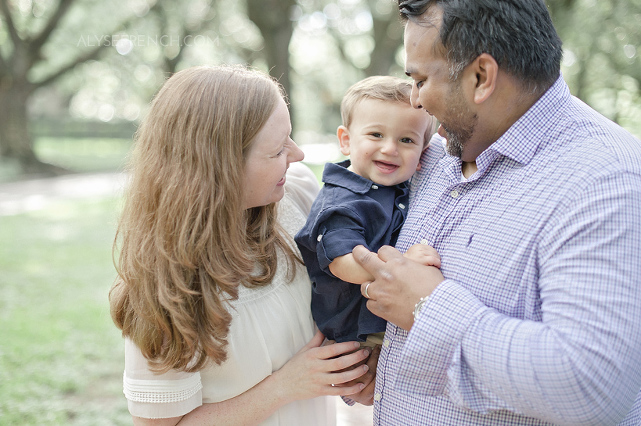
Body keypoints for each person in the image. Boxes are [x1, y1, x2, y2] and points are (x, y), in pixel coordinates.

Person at [350, 0, 641, 424]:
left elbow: (590, 387)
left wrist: (427, 308)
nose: (415, 100)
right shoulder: (437, 152)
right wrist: (392, 360)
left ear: (481, 77)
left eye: (421, 79)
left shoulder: (606, 181)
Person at [108, 65, 376, 426]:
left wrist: (358, 364)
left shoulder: (296, 195)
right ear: (221, 168)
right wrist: (284, 387)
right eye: (278, 149)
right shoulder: (162, 288)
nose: (296, 156)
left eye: (290, 138)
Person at [295, 76, 439, 347]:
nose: (390, 148)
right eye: (376, 135)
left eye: (407, 140)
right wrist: (402, 265)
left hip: (385, 319)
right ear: (346, 140)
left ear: (423, 154)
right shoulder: (342, 201)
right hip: (358, 332)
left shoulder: (395, 185)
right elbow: (343, 263)